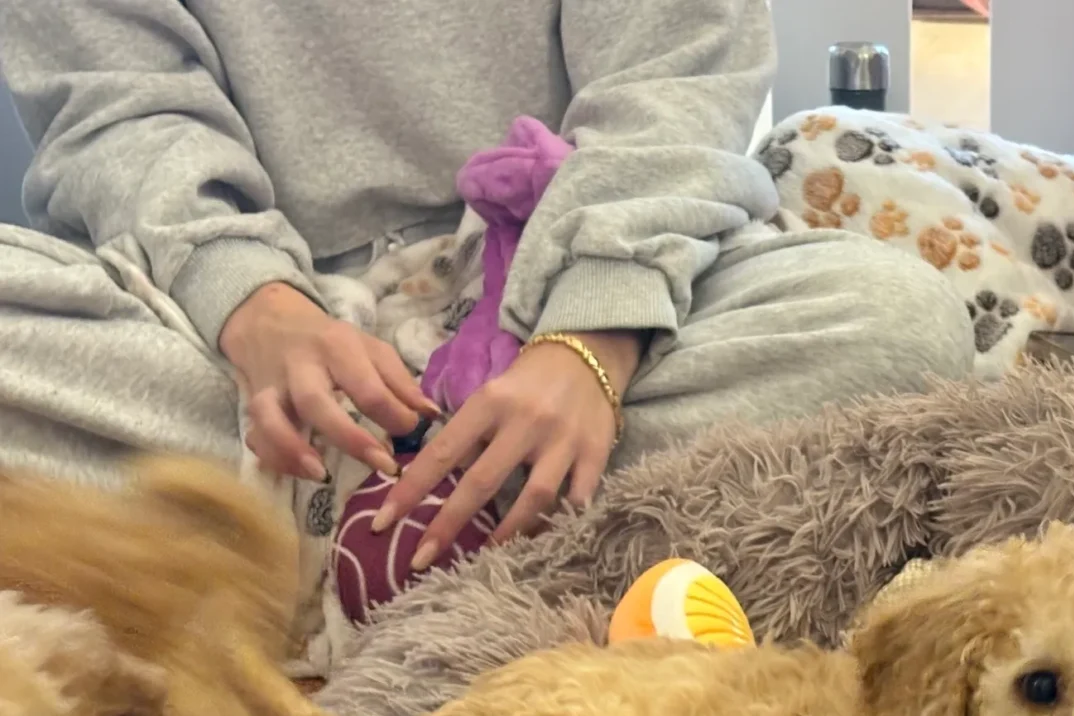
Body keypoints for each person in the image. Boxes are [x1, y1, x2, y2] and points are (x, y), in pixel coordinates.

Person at [0, 0, 972, 568]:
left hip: (546, 281)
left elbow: (675, 82)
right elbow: (117, 104)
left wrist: (591, 342)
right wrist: (251, 304)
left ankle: (282, 536)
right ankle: (511, 522)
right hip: (230, 324)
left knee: (899, 327)